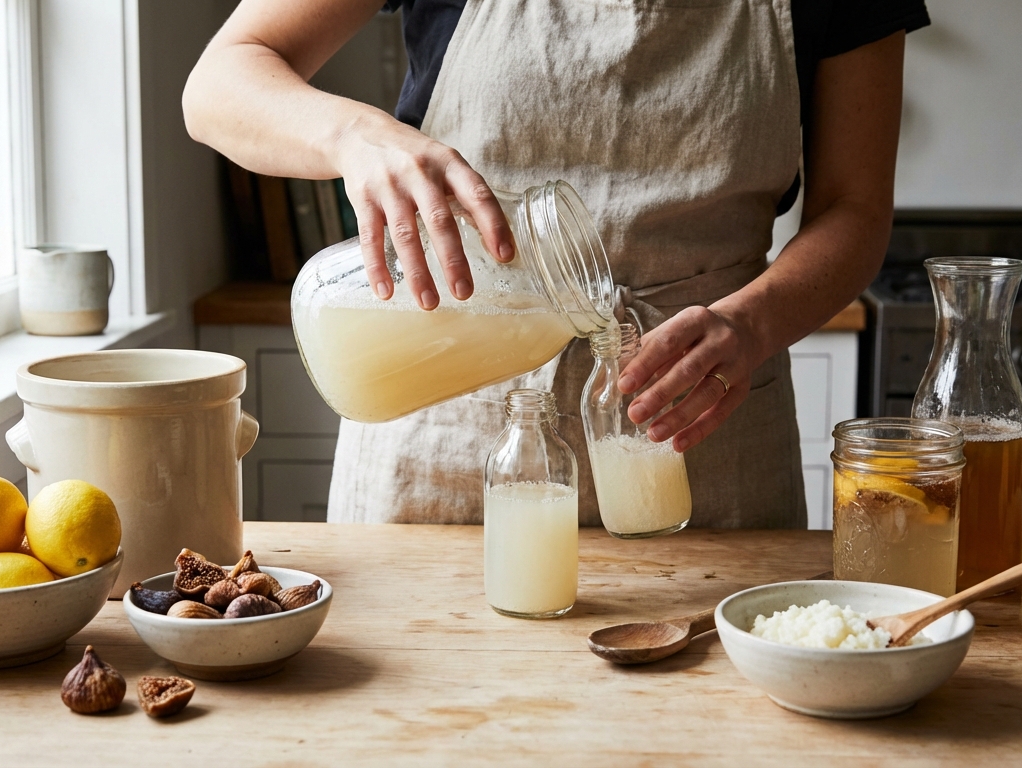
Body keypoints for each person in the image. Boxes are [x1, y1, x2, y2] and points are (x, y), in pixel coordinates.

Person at [184, 0, 930, 527]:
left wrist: (753, 322)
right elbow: (219, 84)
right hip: (449, 432)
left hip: (702, 433)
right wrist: (350, 135)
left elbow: (856, 208)